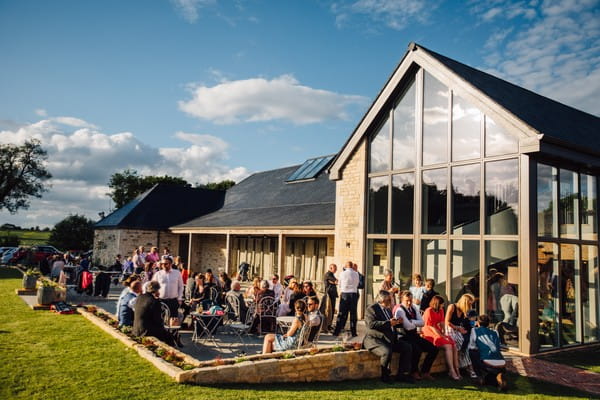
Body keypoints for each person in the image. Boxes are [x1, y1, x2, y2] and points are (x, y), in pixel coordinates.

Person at [363, 290, 413, 383]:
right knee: (386, 351)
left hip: (390, 338)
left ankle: (402, 375)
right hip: (375, 339)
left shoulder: (388, 309)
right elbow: (371, 324)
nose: (391, 302)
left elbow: (390, 323)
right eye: (389, 300)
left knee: (407, 347)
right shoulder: (371, 309)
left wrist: (397, 322)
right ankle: (385, 376)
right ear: (382, 300)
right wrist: (389, 322)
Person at [394, 291, 439, 380]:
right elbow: (408, 327)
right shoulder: (400, 310)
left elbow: (422, 323)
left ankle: (425, 371)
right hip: (404, 337)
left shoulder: (414, 307)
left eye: (410, 300)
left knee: (434, 349)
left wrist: (412, 321)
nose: (409, 302)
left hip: (414, 335)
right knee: (417, 350)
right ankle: (413, 371)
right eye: (407, 300)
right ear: (402, 300)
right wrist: (414, 323)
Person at [422, 295, 461, 380]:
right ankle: (451, 370)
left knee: (453, 344)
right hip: (430, 332)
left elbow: (442, 322)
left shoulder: (440, 310)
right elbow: (430, 326)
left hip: (438, 330)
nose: (443, 306)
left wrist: (444, 333)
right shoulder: (429, 311)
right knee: (448, 345)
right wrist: (441, 336)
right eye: (442, 304)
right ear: (437, 303)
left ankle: (456, 369)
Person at [468, 314, 507, 390]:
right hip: (501, 362)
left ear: (478, 323)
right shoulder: (495, 332)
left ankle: (480, 376)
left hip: (487, 363)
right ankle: (498, 376)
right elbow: (497, 345)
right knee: (492, 374)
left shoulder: (475, 330)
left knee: (472, 351)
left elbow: (472, 346)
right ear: (488, 324)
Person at [132, 281, 174, 346]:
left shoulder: (140, 297)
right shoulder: (154, 302)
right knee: (168, 336)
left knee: (165, 333)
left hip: (136, 329)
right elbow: (157, 320)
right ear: (157, 291)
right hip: (146, 331)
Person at [445, 293, 477, 378]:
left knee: (465, 345)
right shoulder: (452, 307)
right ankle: (462, 368)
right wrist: (458, 328)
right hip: (450, 329)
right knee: (459, 344)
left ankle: (466, 367)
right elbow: (447, 322)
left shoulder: (463, 311)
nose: (470, 306)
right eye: (470, 303)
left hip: (458, 329)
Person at [151, 255, 184, 325]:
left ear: (171, 264)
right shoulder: (158, 274)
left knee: (173, 321)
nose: (164, 265)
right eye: (162, 264)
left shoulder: (177, 273)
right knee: (160, 319)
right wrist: (154, 296)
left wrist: (179, 298)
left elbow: (181, 286)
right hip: (161, 300)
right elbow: (152, 286)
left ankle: (173, 334)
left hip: (173, 300)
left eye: (166, 264)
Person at [333, 261, 359, 338]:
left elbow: (339, 284)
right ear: (351, 266)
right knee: (353, 314)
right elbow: (357, 284)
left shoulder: (342, 273)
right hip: (353, 294)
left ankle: (337, 331)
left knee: (341, 313)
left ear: (346, 266)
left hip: (345, 293)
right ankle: (353, 331)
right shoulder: (356, 273)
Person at [323, 263, 338, 332]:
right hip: (329, 294)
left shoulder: (331, 275)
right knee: (329, 310)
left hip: (332, 294)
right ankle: (328, 326)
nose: (336, 270)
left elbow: (335, 281)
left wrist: (333, 282)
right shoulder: (328, 274)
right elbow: (336, 281)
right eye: (335, 268)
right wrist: (333, 282)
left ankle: (329, 325)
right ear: (331, 268)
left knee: (331, 310)